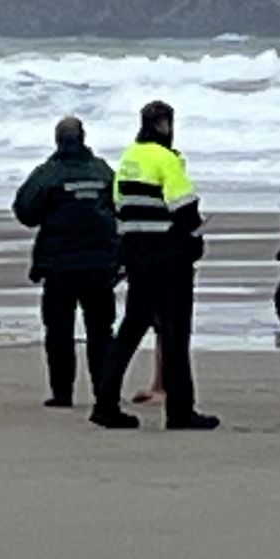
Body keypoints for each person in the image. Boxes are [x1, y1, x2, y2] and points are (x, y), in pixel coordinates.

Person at [90, 100, 219, 431]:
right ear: (165, 126)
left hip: (136, 255)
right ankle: (180, 411)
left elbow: (118, 205)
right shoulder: (166, 159)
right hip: (168, 257)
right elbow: (185, 209)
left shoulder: (129, 158)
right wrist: (194, 239)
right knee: (176, 334)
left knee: (131, 329)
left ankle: (105, 403)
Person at [11, 115, 118, 408]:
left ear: (58, 140)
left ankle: (62, 393)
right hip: (99, 265)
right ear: (83, 138)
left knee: (59, 330)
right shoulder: (103, 171)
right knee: (101, 331)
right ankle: (104, 391)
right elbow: (119, 207)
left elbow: (24, 211)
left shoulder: (48, 174)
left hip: (60, 267)